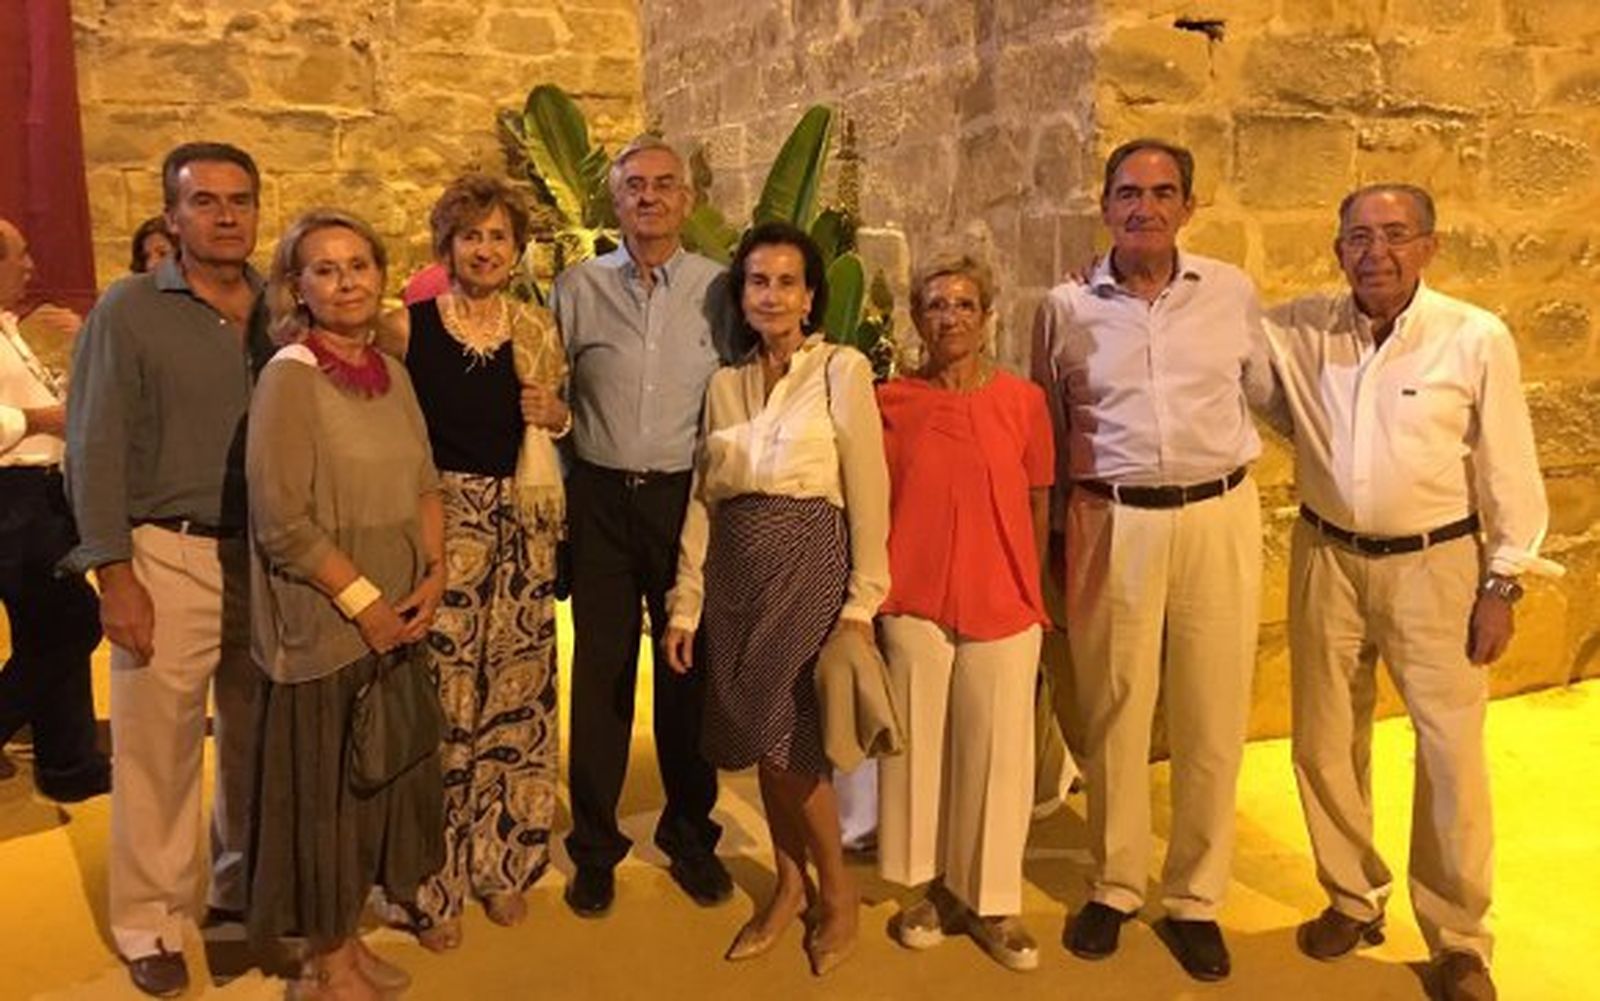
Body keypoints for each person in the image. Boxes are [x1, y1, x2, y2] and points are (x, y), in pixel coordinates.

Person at [1266, 184, 1556, 1001]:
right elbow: (1228, 351)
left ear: (1429, 246)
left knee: (1451, 754)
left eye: (1396, 235)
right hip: (1325, 555)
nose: (1375, 252)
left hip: (1440, 566)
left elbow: (1510, 470)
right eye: (1358, 236)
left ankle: (1460, 937)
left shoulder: (1473, 338)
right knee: (1324, 739)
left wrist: (1503, 581)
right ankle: (1352, 896)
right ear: (1337, 250)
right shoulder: (1297, 330)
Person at [1031, 137, 1275, 982]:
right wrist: (1052, 540)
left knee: (1212, 708)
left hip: (1217, 513)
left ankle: (1197, 897)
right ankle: (1116, 883)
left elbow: (1269, 393)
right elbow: (1048, 431)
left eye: (1163, 192)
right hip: (1112, 518)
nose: (1146, 207)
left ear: (1188, 206)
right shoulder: (1063, 306)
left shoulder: (1232, 292)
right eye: (1129, 193)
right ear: (1105, 207)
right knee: (1114, 708)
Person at [64, 141, 270, 999]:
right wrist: (114, 572)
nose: (225, 215)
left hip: (265, 557)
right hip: (167, 552)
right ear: (172, 215)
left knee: (256, 741)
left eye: (240, 200)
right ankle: (149, 917)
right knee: (158, 748)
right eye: (205, 201)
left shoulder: (279, 307)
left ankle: (233, 888)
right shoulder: (129, 309)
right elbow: (93, 443)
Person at [663, 221, 890, 976]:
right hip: (734, 570)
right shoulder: (724, 384)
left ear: (811, 295)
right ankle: (790, 882)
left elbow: (869, 493)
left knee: (789, 737)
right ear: (743, 293)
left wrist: (862, 603)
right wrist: (685, 601)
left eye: (787, 281)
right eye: (758, 281)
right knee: (764, 738)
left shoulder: (841, 370)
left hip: (810, 561)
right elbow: (705, 498)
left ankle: (837, 891)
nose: (772, 294)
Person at [245, 208, 446, 1000]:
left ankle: (351, 941)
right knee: (323, 796)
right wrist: (366, 603)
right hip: (327, 625)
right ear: (299, 287)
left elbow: (425, 480)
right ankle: (325, 963)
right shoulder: (288, 375)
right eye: (324, 269)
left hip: (398, 616)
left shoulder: (392, 375)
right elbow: (281, 520)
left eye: (358, 264)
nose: (346, 280)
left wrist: (431, 575)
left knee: (371, 786)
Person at [376, 173, 568, 950]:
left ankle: (503, 862)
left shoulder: (537, 326)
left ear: (516, 248)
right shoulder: (405, 328)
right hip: (439, 524)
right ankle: (431, 880)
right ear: (445, 246)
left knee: (515, 704)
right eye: (470, 236)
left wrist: (557, 413)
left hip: (521, 528)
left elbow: (557, 420)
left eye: (498, 236)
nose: (485, 249)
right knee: (441, 703)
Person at [553, 135, 736, 917]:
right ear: (615, 201)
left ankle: (690, 834)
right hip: (597, 495)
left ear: (687, 200)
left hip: (684, 500)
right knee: (598, 676)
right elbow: (546, 387)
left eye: (665, 185)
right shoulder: (577, 287)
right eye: (635, 186)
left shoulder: (723, 291)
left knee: (687, 670)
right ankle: (594, 848)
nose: (650, 197)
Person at [875, 254, 1053, 972]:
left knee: (998, 753)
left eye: (964, 304)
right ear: (917, 319)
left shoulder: (1024, 401)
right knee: (920, 751)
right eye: (936, 305)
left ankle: (992, 901)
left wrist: (1030, 582)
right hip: (913, 595)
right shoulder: (890, 400)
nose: (950, 316)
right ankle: (933, 889)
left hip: (1002, 598)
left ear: (987, 317)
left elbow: (1040, 495)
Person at [0, 217, 109, 803]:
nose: (31, 266)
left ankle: (70, 763)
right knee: (74, 622)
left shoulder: (9, 328)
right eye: (20, 256)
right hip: (13, 502)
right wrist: (44, 420)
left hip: (40, 494)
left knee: (46, 628)